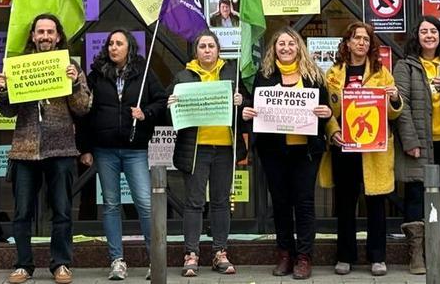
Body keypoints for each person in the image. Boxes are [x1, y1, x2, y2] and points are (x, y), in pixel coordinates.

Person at [0, 14, 92, 284]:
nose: (46, 36)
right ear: (33, 36)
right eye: (41, 32)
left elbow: (83, 107)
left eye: (50, 32)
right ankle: (23, 265)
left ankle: (61, 264)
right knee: (23, 212)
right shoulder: (18, 67)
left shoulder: (70, 65)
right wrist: (2, 90)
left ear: (58, 36)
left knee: (62, 211)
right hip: (25, 150)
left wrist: (73, 83)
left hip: (60, 149)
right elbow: (7, 111)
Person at [241, 27, 332, 279]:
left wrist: (327, 114)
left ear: (298, 47)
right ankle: (284, 254)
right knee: (280, 204)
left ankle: (304, 257)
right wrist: (247, 112)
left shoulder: (314, 76)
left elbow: (326, 111)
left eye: (291, 44)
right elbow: (254, 107)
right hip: (274, 152)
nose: (286, 48)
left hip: (306, 152)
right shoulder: (265, 75)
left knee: (304, 204)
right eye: (281, 44)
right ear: (274, 48)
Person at [77, 29, 167, 281]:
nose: (113, 48)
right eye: (110, 44)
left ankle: (155, 260)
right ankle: (117, 261)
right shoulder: (96, 76)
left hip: (135, 149)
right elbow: (84, 113)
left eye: (119, 43)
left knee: (145, 204)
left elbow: (161, 101)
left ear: (130, 48)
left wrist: (145, 113)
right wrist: (84, 147)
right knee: (111, 205)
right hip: (105, 151)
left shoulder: (144, 73)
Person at [320, 22, 404, 277]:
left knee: (376, 202)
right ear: (347, 43)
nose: (361, 43)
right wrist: (332, 131)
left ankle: (377, 257)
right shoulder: (333, 73)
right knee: (345, 203)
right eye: (356, 38)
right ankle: (345, 256)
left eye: (366, 39)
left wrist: (394, 98)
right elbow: (326, 109)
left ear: (371, 45)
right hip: (344, 146)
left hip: (373, 148)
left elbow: (392, 112)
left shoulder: (382, 73)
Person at [169, 30, 246, 277]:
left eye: (211, 46)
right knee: (194, 202)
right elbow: (164, 111)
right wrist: (170, 104)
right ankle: (191, 254)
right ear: (196, 52)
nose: (207, 50)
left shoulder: (231, 74)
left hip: (224, 147)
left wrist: (240, 101)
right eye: (202, 46)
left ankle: (219, 252)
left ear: (218, 50)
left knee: (221, 202)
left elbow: (247, 107)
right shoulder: (183, 76)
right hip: (196, 149)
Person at [394, 16, 440, 274]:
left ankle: (433, 251)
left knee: (435, 197)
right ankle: (416, 256)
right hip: (420, 142)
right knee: (415, 197)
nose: (429, 35)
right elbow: (403, 107)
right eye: (424, 31)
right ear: (416, 37)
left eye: (433, 30)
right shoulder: (406, 66)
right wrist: (410, 141)